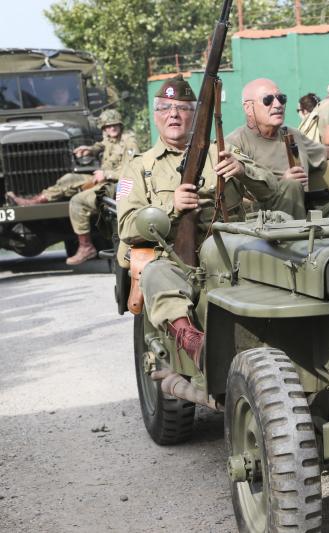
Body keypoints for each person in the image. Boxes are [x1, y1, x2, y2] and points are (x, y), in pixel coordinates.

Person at [117, 76, 267, 365]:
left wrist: (243, 170)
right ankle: (193, 343)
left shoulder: (222, 153)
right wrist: (169, 207)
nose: (173, 114)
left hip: (230, 254)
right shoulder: (138, 168)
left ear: (195, 115)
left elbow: (273, 190)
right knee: (154, 272)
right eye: (165, 108)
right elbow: (126, 227)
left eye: (182, 108)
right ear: (156, 115)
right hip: (175, 263)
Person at [6, 108, 139, 265]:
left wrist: (107, 174)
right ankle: (34, 201)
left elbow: (132, 171)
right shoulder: (110, 139)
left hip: (116, 184)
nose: (112, 129)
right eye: (108, 126)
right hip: (102, 178)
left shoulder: (129, 142)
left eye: (115, 125)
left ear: (120, 126)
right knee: (68, 179)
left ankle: (86, 247)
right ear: (103, 129)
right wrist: (90, 149)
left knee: (77, 201)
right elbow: (102, 145)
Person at [227, 79, 329, 220]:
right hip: (265, 219)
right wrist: (284, 185)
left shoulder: (292, 135)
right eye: (268, 100)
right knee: (291, 184)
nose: (278, 104)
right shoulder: (235, 143)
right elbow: (240, 196)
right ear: (248, 108)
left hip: (305, 209)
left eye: (281, 98)